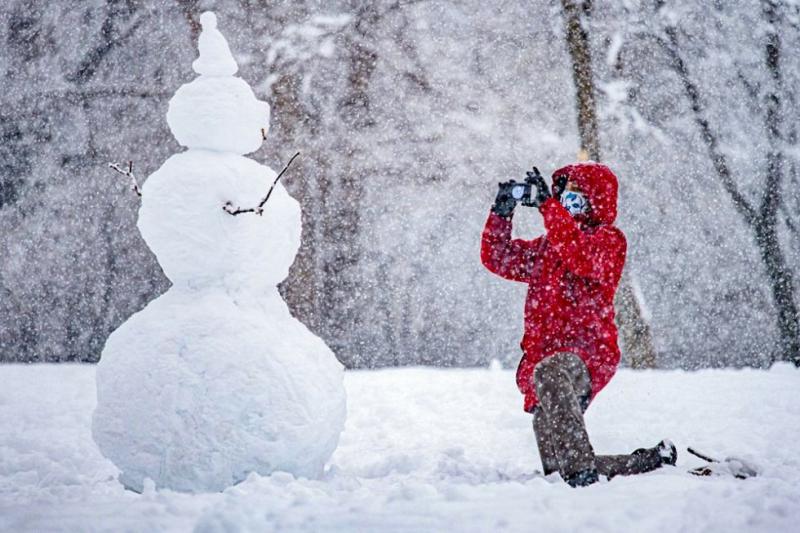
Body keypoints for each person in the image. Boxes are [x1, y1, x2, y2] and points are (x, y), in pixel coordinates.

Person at [480, 162, 676, 487]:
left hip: (587, 355)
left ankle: (583, 479)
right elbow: (498, 258)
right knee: (560, 466)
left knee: (551, 375)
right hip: (545, 360)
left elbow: (580, 255)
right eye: (564, 195)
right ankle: (648, 460)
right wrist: (501, 214)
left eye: (575, 195)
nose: (566, 202)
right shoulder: (548, 246)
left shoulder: (610, 242)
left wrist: (548, 207)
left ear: (595, 200)